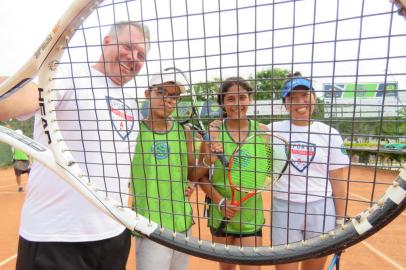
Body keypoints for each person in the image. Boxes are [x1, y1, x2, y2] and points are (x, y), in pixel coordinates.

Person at [0, 21, 150, 270]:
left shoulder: (131, 102)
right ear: (107, 42)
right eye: (128, 46)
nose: (133, 57)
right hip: (56, 238)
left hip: (114, 234)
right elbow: (24, 94)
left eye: (141, 54)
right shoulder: (69, 75)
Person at [268, 76, 349, 270]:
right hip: (284, 207)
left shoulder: (329, 133)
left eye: (305, 95)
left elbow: (338, 182)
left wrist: (340, 221)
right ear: (285, 104)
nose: (300, 102)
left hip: (321, 208)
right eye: (292, 97)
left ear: (314, 98)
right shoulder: (270, 131)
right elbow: (242, 132)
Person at [196, 77, 268, 270]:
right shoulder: (213, 134)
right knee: (225, 268)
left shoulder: (262, 132)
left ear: (250, 99)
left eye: (242, 97)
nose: (237, 103)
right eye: (230, 99)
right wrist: (220, 201)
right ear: (221, 103)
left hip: (251, 215)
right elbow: (201, 177)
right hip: (221, 215)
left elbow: (269, 171)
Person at [131, 70, 196, 270]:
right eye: (162, 92)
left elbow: (192, 174)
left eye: (174, 96)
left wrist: (191, 181)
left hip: (182, 223)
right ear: (147, 94)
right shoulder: (133, 131)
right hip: (149, 226)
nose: (169, 100)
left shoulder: (184, 132)